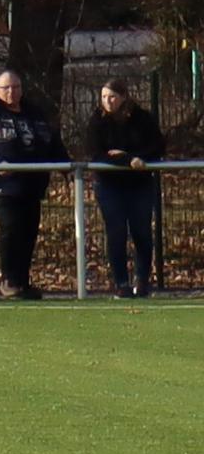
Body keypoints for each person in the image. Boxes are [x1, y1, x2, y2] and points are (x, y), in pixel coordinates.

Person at [0, 71, 60, 297]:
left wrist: (65, 164)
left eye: (15, 87)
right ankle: (9, 280)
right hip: (2, 183)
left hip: (32, 183)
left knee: (29, 231)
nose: (11, 92)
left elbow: (51, 140)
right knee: (11, 229)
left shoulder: (34, 112)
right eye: (6, 88)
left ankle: (22, 282)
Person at [87, 82, 166, 301]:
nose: (107, 101)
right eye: (103, 97)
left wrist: (137, 156)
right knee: (116, 232)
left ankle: (142, 281)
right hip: (110, 185)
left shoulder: (141, 118)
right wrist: (128, 159)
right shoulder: (98, 121)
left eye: (112, 97)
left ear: (123, 96)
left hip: (139, 185)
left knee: (141, 232)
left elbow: (158, 146)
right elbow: (97, 153)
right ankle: (120, 283)